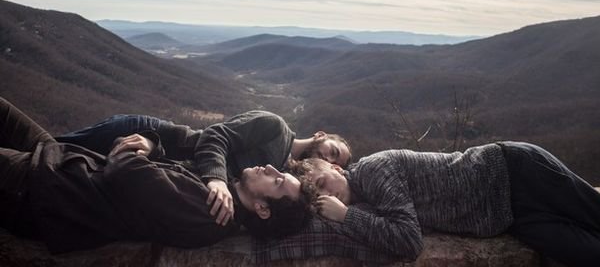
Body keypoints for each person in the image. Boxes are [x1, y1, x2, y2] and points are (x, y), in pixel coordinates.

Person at [0, 97, 314, 254]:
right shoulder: (222, 188)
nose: (273, 169)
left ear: (262, 208)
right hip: (64, 164)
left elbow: (125, 173)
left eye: (277, 180)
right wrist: (152, 143)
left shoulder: (212, 212)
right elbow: (194, 150)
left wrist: (143, 151)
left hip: (47, 190)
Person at [291, 142, 600, 267]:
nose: (325, 195)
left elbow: (409, 241)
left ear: (336, 169)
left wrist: (346, 216)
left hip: (514, 171)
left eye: (321, 184)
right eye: (317, 198)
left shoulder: (373, 171)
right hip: (510, 215)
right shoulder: (366, 202)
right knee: (585, 253)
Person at [56, 111, 351, 226]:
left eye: (339, 162)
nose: (332, 158)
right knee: (52, 147)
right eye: (334, 151)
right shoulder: (275, 128)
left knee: (53, 159)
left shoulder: (281, 181)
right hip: (146, 136)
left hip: (152, 162)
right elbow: (214, 134)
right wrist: (217, 179)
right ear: (321, 135)